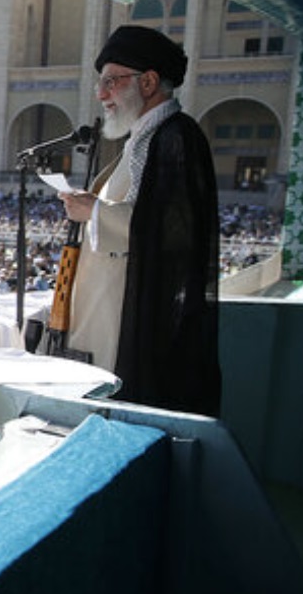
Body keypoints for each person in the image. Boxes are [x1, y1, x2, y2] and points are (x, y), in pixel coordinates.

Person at [58, 24, 220, 417]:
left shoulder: (175, 137)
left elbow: (171, 232)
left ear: (148, 82)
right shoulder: (145, 137)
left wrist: (93, 211)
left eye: (111, 81)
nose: (101, 94)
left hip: (133, 320)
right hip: (109, 308)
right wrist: (96, 204)